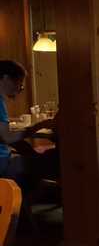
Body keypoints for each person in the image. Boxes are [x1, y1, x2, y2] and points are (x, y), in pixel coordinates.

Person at [0, 60, 58, 192]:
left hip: (5, 157)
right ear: (5, 78)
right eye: (19, 83)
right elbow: (7, 138)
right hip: (3, 162)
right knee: (52, 162)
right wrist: (38, 126)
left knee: (35, 155)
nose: (20, 88)